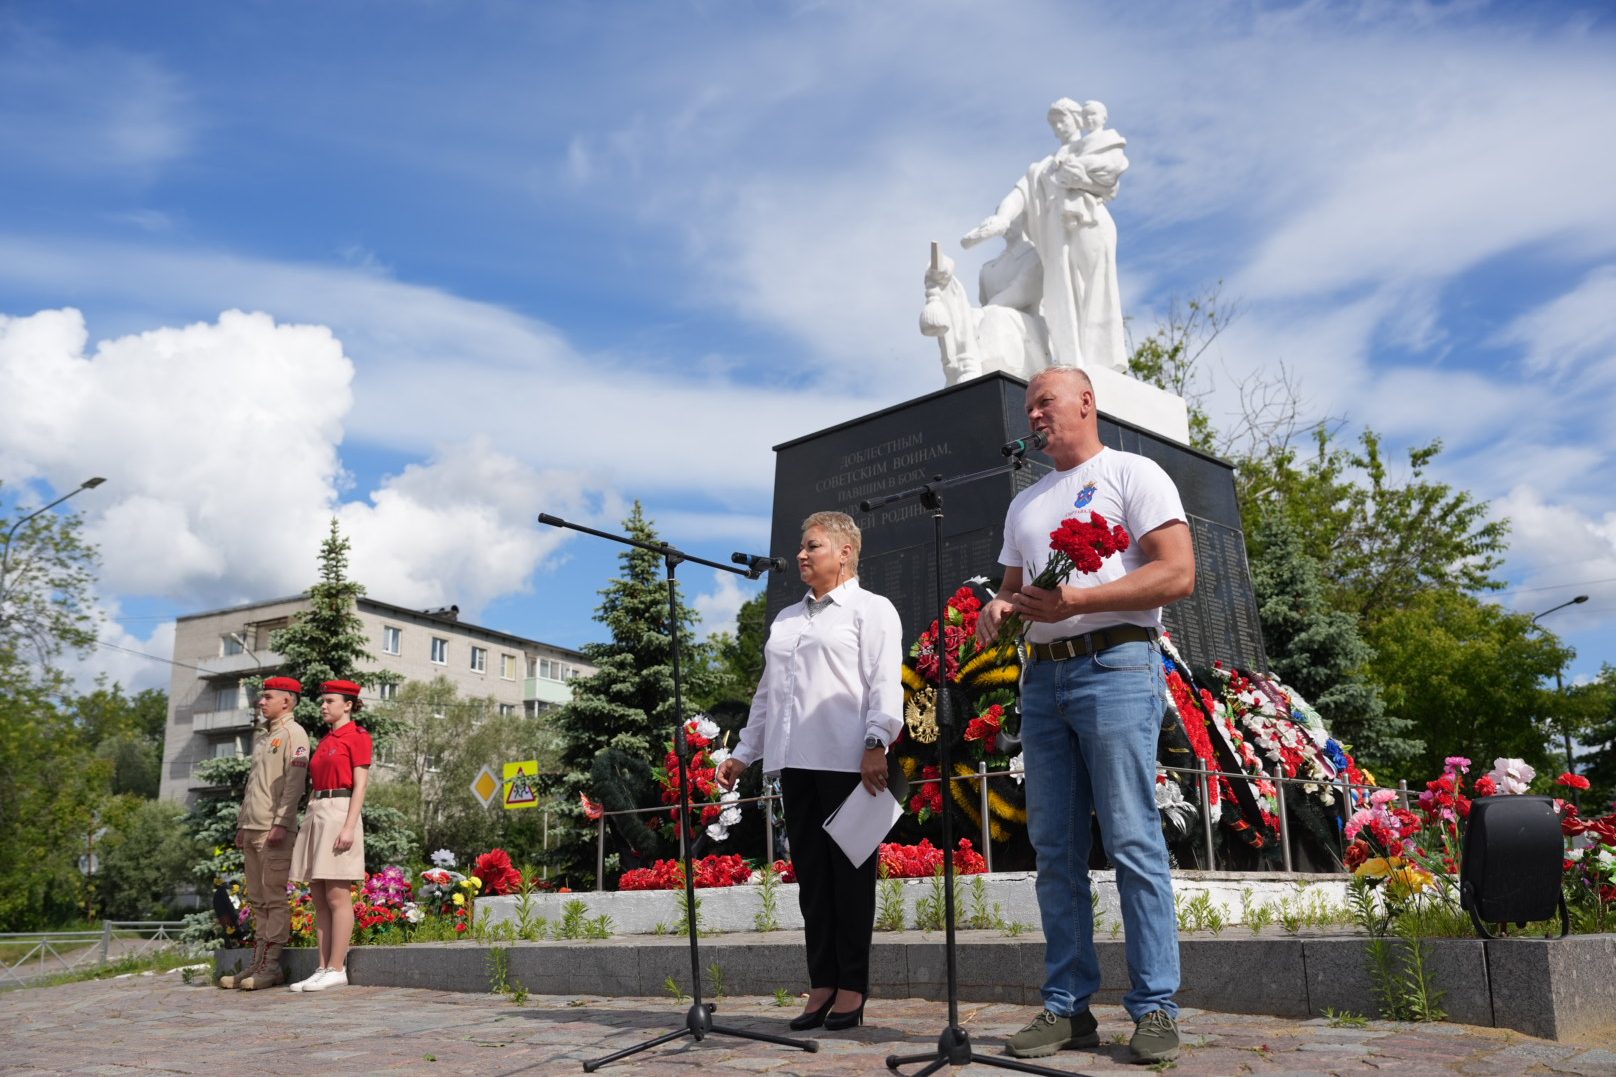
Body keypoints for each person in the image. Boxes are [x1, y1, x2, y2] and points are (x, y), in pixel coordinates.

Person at [976, 366, 1195, 1063]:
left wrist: (1080, 602)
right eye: (1029, 406)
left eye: (1045, 400)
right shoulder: (1026, 505)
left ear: (1087, 402)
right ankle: (1068, 1008)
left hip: (1116, 665)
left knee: (1132, 838)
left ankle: (1156, 1007)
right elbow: (1012, 595)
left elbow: (1177, 572)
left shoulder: (1136, 473)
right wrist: (998, 610)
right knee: (1055, 851)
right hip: (1041, 681)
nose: (1034, 413)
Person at [716, 511, 903, 1031]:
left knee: (850, 879)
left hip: (848, 763)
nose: (801, 555)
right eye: (801, 547)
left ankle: (852, 988)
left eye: (813, 546)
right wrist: (744, 753)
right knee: (812, 882)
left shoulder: (871, 610)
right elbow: (766, 695)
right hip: (794, 763)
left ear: (845, 552)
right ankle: (821, 981)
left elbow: (885, 681)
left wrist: (876, 741)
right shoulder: (785, 620)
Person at [962, 98, 1130, 374]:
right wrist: (1002, 218)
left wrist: (1080, 178)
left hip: (1088, 222)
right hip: (1057, 239)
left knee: (1096, 285)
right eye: (1054, 123)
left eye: (1062, 120)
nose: (1058, 127)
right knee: (1060, 292)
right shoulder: (1043, 168)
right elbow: (1019, 195)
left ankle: (1102, 359)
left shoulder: (1095, 147)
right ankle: (1072, 359)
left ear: (1077, 118)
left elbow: (1110, 176)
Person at [219, 675, 309, 990]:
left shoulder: (293, 734)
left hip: (274, 830)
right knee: (257, 900)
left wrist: (282, 822)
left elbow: (294, 785)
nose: (261, 701)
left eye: (267, 696)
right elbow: (253, 788)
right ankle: (257, 964)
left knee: (273, 898)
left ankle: (270, 967)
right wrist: (243, 825)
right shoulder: (263, 737)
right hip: (253, 828)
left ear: (286, 700)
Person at [287, 679, 373, 993]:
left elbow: (360, 785)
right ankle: (322, 967)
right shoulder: (325, 740)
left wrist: (349, 826)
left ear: (348, 704)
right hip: (317, 811)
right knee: (319, 896)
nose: (324, 706)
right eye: (323, 701)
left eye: (330, 701)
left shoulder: (358, 736)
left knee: (338, 894)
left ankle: (338, 967)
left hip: (340, 811)